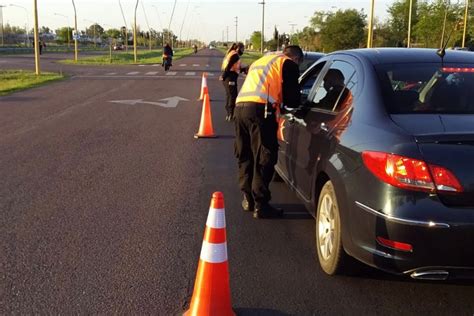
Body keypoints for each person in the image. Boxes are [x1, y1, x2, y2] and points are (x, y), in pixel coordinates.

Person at [234, 45, 303, 219]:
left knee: (245, 154)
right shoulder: (287, 64)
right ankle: (261, 204)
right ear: (295, 58)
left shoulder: (263, 61)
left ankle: (248, 198)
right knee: (265, 156)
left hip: (240, 107)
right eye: (299, 63)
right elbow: (293, 100)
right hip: (261, 111)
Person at [220, 42, 247, 121]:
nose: (243, 51)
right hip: (230, 78)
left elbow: (235, 67)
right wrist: (223, 76)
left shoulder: (232, 53)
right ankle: (231, 114)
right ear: (238, 48)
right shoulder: (235, 55)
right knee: (232, 96)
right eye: (242, 49)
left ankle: (229, 113)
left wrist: (244, 70)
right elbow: (228, 66)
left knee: (230, 95)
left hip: (229, 77)